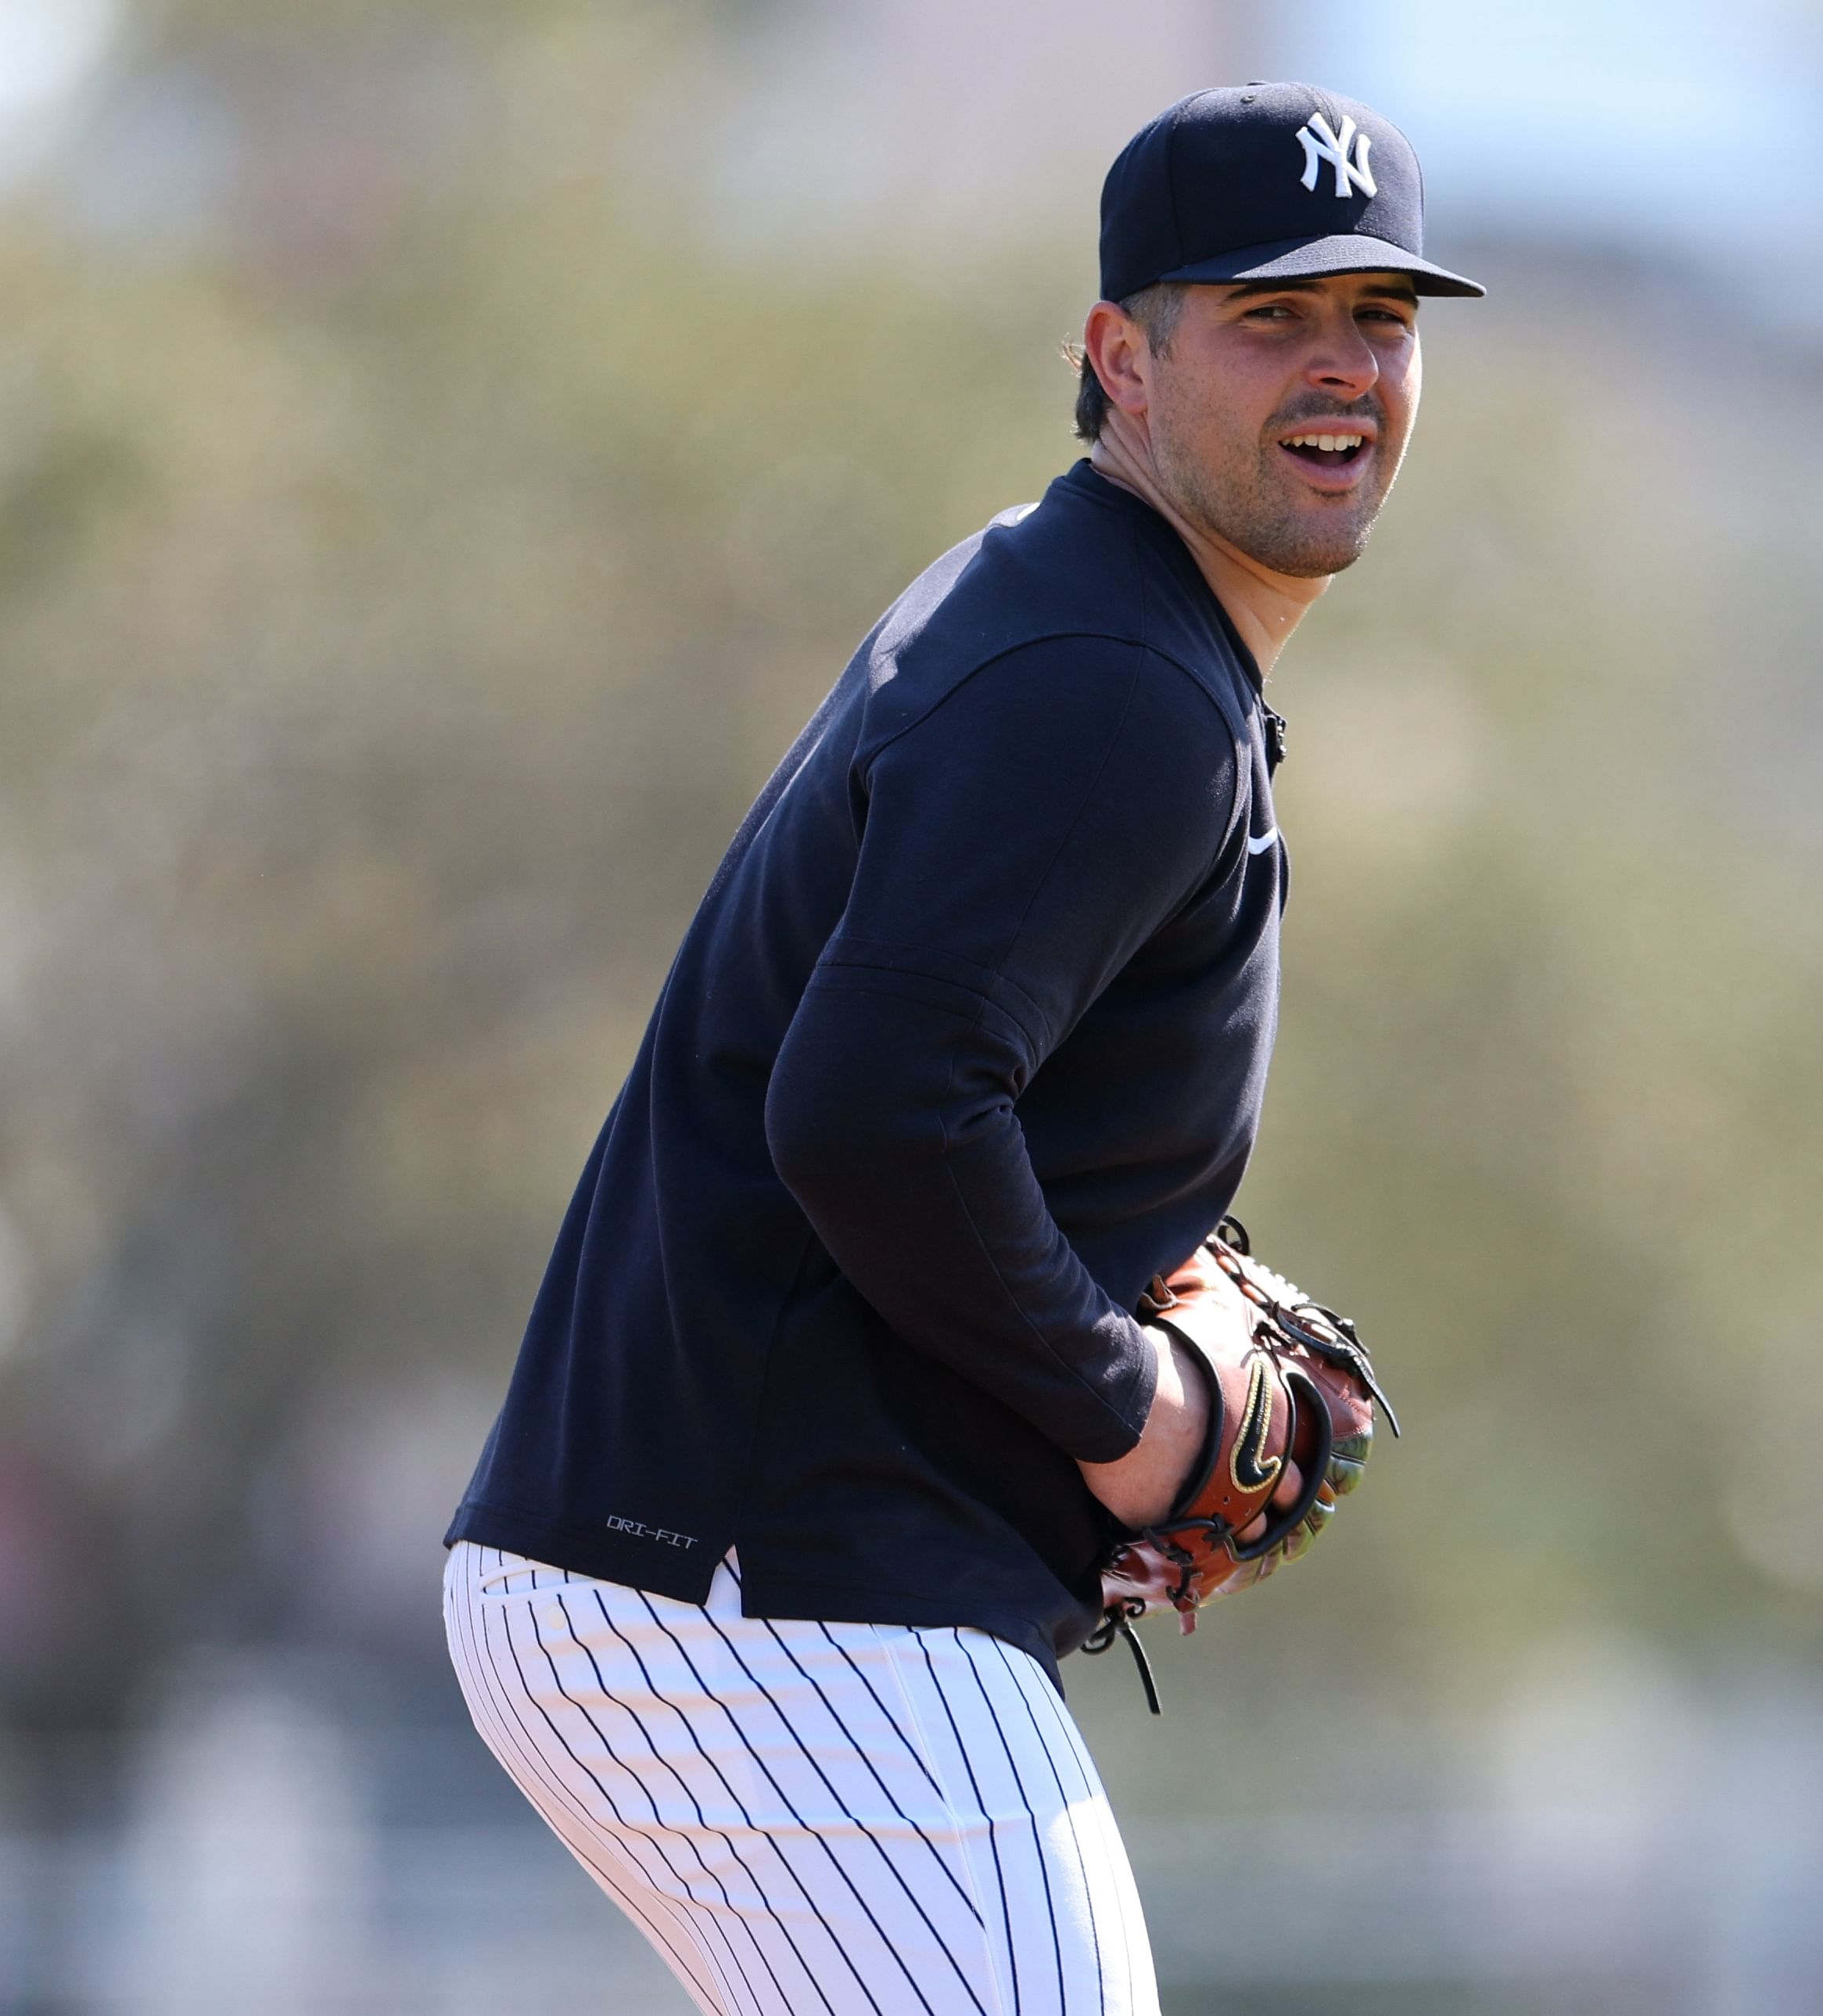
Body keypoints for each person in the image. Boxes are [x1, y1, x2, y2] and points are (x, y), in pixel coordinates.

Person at [436, 84, 1480, 2016]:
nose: (1340, 368)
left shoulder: (1091, 613)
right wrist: (1126, 1408)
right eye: (1267, 315)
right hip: (758, 1588)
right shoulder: (1112, 679)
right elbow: (868, 1107)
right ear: (1121, 357)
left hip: (725, 1569)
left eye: (1381, 318)